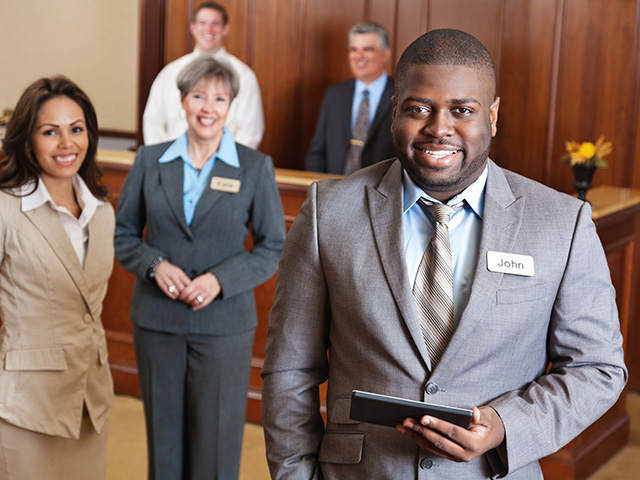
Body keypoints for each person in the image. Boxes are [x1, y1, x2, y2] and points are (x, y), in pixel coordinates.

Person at [261, 29, 627, 479]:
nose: (438, 128)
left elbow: (596, 367)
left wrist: (505, 426)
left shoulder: (562, 224)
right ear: (394, 111)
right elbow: (290, 368)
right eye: (418, 109)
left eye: (462, 110)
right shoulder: (327, 211)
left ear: (492, 115)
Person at [115, 56, 285, 480]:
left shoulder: (254, 167)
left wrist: (219, 280)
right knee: (163, 442)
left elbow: (273, 247)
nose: (208, 107)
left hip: (224, 326)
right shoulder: (149, 160)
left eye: (219, 99)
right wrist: (155, 265)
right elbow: (124, 236)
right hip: (157, 321)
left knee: (215, 445)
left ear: (231, 106)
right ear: (182, 101)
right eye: (198, 96)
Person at [0, 76, 115, 479]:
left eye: (76, 129)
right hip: (26, 405)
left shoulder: (102, 211)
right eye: (50, 131)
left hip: (91, 400)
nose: (67, 143)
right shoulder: (5, 210)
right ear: (28, 140)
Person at [142, 1, 265, 149]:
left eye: (215, 23)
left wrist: (222, 159)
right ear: (193, 28)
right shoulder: (170, 72)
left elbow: (250, 133)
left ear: (226, 29)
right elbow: (153, 121)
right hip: (171, 157)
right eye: (202, 23)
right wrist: (164, 157)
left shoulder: (244, 76)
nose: (208, 29)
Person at [305, 22, 395, 175]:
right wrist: (318, 185)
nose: (359, 56)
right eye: (354, 49)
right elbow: (317, 152)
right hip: (333, 186)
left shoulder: (401, 95)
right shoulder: (334, 94)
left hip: (382, 187)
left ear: (385, 54)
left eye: (367, 49)